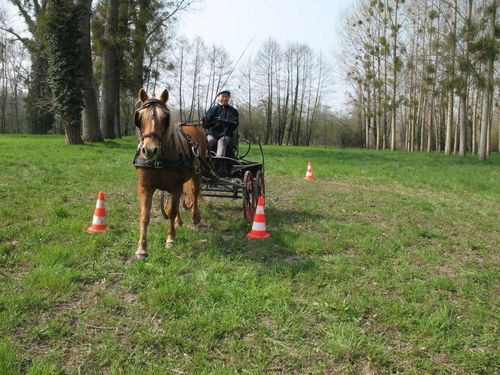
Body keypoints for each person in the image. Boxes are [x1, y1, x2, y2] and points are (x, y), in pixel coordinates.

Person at [202, 89, 239, 157]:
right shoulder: (212, 110)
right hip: (212, 135)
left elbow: (235, 124)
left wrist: (224, 121)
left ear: (229, 98)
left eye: (227, 97)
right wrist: (204, 121)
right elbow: (206, 125)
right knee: (208, 141)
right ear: (218, 97)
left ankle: (219, 162)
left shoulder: (233, 111)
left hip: (226, 136)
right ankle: (203, 159)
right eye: (223, 96)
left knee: (222, 142)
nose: (225, 98)